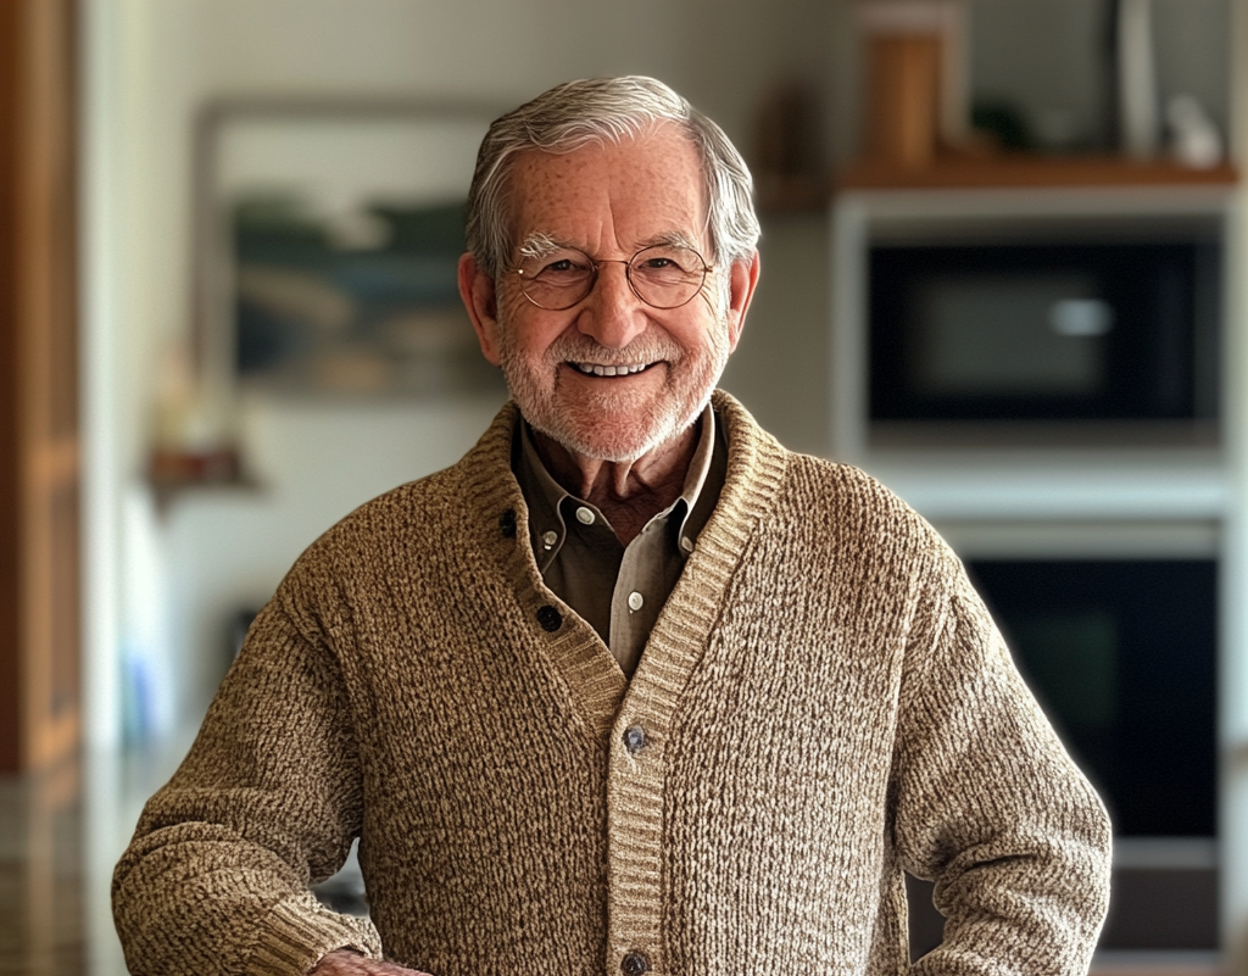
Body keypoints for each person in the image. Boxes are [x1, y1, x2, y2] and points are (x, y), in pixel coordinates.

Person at [113, 76, 1111, 976]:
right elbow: (188, 858)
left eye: (662, 264)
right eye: (558, 270)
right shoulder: (359, 580)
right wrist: (319, 967)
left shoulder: (876, 556)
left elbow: (1042, 852)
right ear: (485, 305)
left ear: (735, 294)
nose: (615, 319)